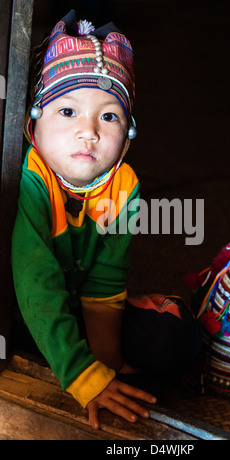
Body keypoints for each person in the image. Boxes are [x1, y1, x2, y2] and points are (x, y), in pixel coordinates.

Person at [11, 10, 201, 430]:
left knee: (177, 338)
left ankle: (71, 356)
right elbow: (35, 282)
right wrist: (85, 377)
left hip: (76, 304)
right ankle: (63, 359)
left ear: (129, 133)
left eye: (109, 116)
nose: (89, 131)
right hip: (24, 306)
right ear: (33, 123)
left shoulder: (123, 185)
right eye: (67, 112)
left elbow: (105, 281)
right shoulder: (30, 179)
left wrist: (107, 366)